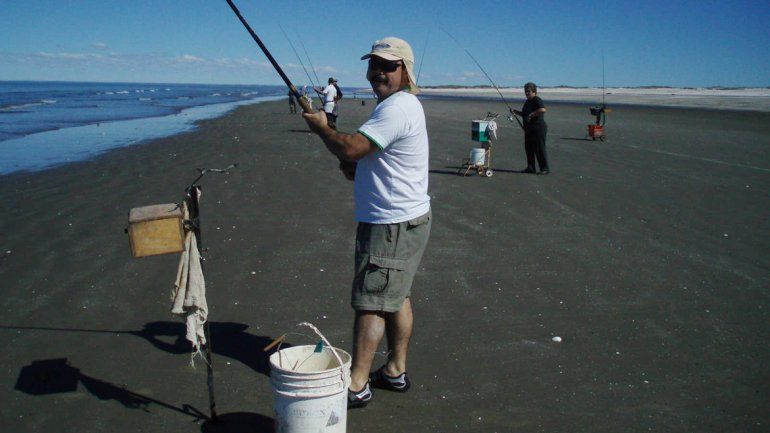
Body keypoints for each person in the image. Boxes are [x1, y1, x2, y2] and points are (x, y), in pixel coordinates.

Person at [303, 37, 431, 409]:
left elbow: (352, 147)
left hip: (390, 224)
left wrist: (321, 128)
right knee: (396, 295)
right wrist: (357, 166)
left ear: (405, 70)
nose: (378, 72)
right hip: (405, 219)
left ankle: (356, 384)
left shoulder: (397, 108)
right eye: (374, 64)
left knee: (372, 301)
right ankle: (395, 369)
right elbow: (369, 153)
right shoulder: (396, 106)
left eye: (387, 65)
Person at [511, 82, 549, 174]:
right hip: (529, 129)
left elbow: (543, 109)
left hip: (538, 128)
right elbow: (525, 114)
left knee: (539, 148)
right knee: (529, 148)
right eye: (525, 91)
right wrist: (515, 112)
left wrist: (532, 114)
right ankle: (531, 167)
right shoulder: (527, 101)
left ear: (534, 91)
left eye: (528, 91)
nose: (526, 93)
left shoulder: (536, 99)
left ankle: (544, 169)